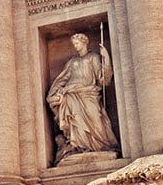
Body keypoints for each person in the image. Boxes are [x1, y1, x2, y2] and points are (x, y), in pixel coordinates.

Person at [47, 33, 118, 162]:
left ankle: (101, 146)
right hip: (71, 94)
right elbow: (63, 79)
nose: (75, 46)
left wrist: (106, 58)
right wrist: (55, 93)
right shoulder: (72, 62)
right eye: (74, 44)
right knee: (75, 121)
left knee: (96, 120)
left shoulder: (93, 58)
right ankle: (79, 146)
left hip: (89, 94)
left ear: (84, 43)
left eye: (77, 43)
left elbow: (102, 80)